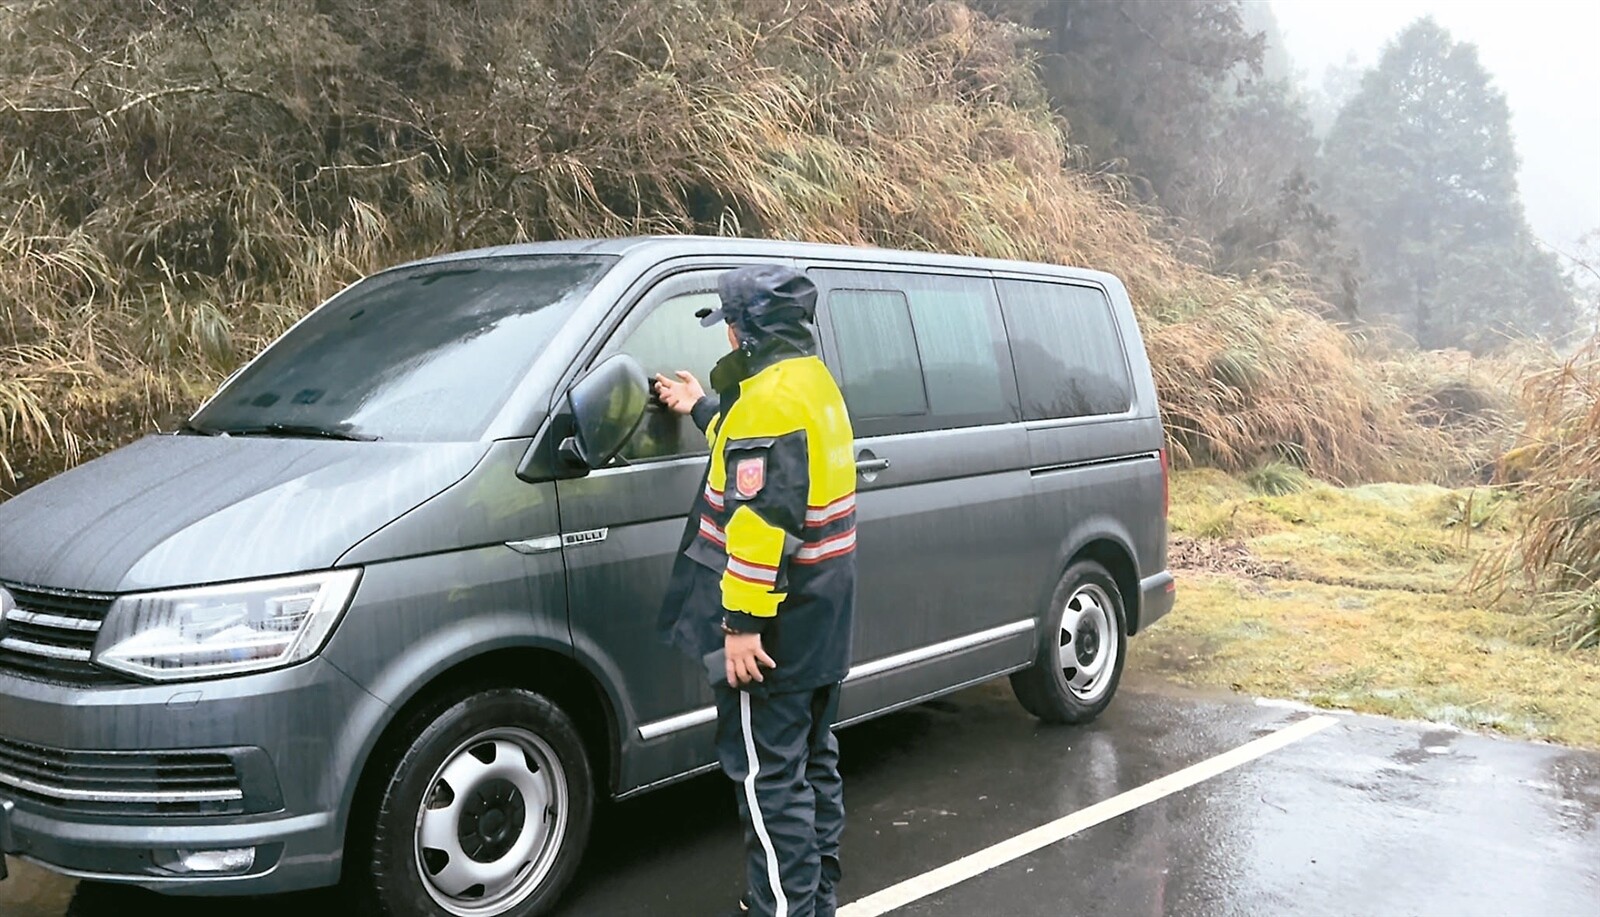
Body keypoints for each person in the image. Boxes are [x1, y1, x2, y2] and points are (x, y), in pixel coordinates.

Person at [654, 264, 858, 917]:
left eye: (731, 324)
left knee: (768, 781)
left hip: (776, 626)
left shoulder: (768, 400)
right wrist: (705, 408)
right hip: (823, 612)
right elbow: (769, 460)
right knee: (812, 761)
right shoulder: (810, 383)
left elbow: (761, 517)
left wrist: (741, 624)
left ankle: (785, 907)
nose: (728, 338)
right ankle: (817, 895)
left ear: (747, 330)